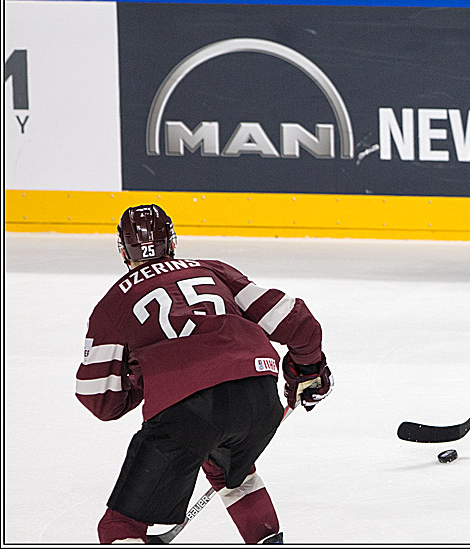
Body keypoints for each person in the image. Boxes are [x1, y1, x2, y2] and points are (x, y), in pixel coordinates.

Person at [75, 204, 333, 543]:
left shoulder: (113, 305)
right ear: (172, 241)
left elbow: (101, 400)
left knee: (120, 528)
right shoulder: (211, 270)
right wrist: (309, 367)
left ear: (123, 251)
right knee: (232, 473)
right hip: (258, 396)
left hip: (187, 414)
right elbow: (295, 319)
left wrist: (146, 373)